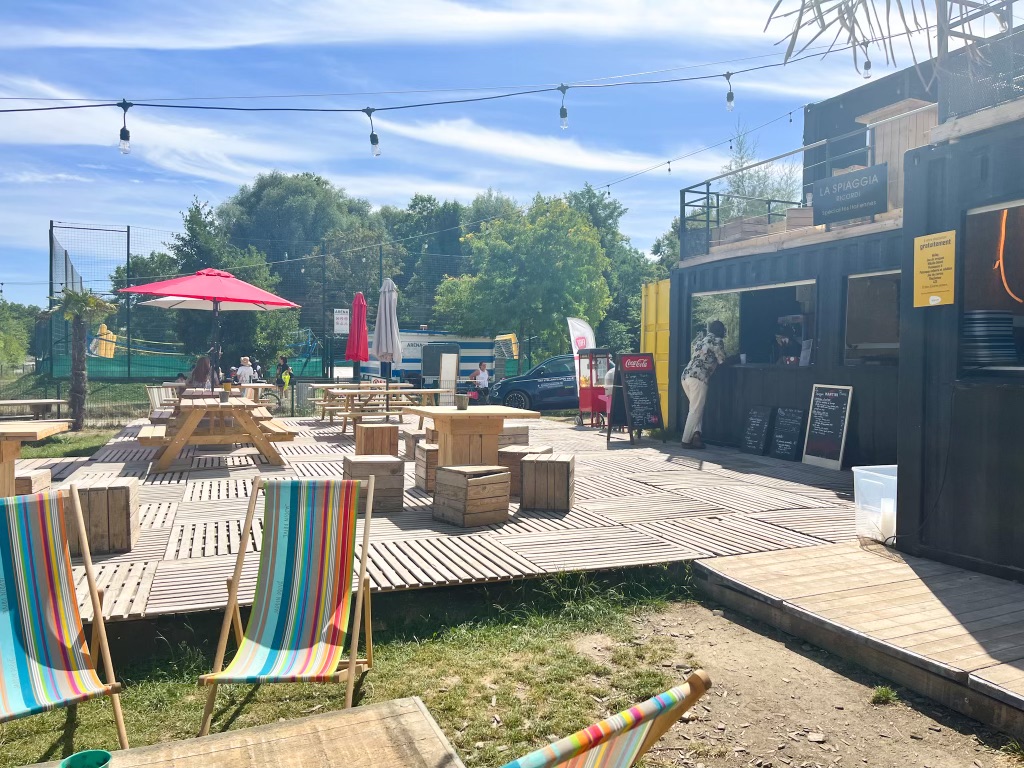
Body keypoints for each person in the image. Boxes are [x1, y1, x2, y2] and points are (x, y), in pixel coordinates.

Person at [680, 320, 735, 450]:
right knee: (695, 410)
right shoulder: (717, 341)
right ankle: (686, 440)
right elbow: (722, 360)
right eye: (723, 330)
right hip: (699, 378)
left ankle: (696, 437)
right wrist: (736, 358)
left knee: (696, 409)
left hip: (686, 376)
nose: (724, 332)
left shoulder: (701, 340)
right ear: (719, 330)